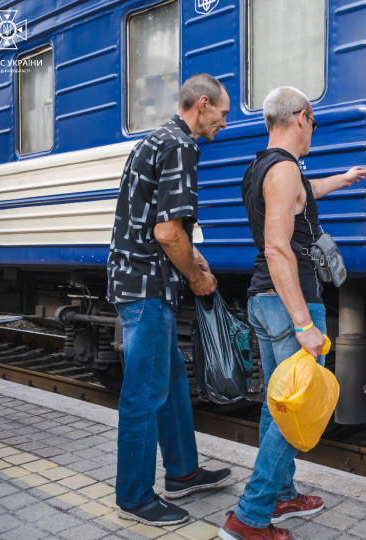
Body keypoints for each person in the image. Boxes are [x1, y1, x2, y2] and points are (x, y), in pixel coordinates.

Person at [219, 87, 366, 540]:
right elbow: (278, 248)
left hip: (264, 301)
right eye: (313, 124)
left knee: (278, 402)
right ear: (301, 117)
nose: (312, 133)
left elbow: (304, 196)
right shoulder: (284, 170)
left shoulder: (263, 168)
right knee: (295, 411)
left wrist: (342, 179)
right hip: (289, 304)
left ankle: (282, 496)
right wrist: (304, 322)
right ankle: (250, 516)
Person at [106, 73, 232, 526]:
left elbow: (159, 224)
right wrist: (197, 276)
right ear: (203, 104)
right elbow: (165, 231)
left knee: (172, 381)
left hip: (139, 279)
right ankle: (135, 496)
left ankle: (182, 472)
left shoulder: (156, 139)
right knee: (145, 390)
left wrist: (194, 257)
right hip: (146, 287)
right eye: (222, 111)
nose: (225, 121)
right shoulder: (181, 145)